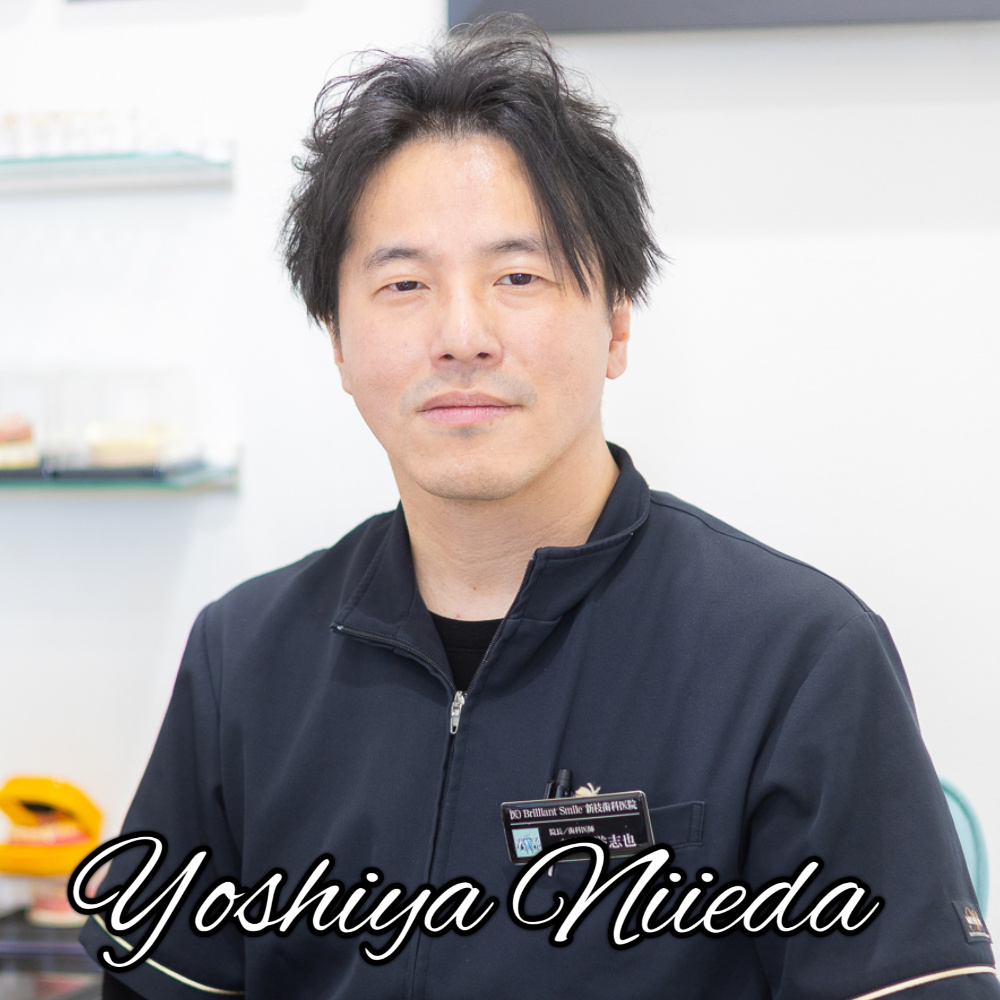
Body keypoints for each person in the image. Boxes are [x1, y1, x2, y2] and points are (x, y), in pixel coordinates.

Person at [81, 15, 998, 1000]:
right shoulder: (244, 658)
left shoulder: (799, 661)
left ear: (616, 323)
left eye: (518, 276)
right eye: (403, 283)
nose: (461, 333)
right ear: (337, 340)